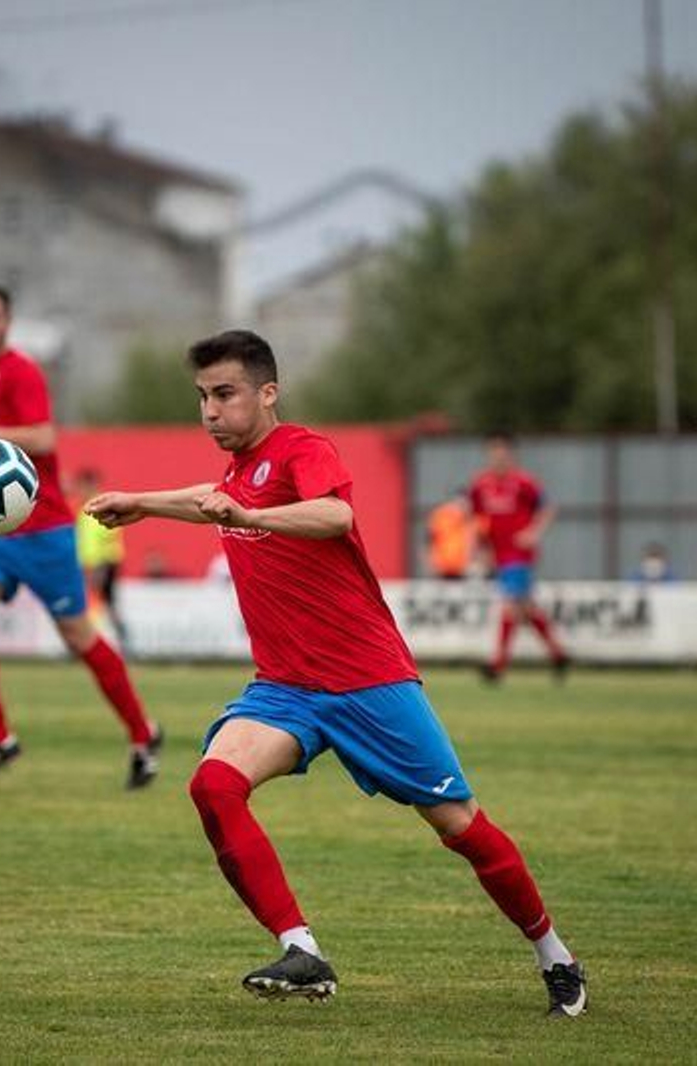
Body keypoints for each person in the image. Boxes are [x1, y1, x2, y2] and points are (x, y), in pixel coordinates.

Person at [84, 330, 586, 1017]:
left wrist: (248, 511)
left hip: (369, 682)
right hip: (287, 689)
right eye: (202, 397)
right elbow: (215, 497)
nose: (209, 411)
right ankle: (303, 951)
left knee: (459, 825)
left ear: (268, 393)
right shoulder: (237, 474)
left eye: (224, 394)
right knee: (214, 784)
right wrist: (141, 501)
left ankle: (555, 955)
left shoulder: (304, 451)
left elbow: (334, 514)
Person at [0, 284, 162, 789]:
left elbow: (44, 437)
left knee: (80, 638)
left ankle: (143, 733)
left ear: (7, 321)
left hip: (43, 530)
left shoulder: (20, 371)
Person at [468, 433, 570, 683]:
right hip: (499, 553)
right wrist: (482, 549)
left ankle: (497, 666)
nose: (498, 459)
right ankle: (559, 656)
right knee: (525, 608)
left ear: (511, 456)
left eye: (502, 454)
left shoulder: (524, 482)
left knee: (511, 605)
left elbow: (547, 508)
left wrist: (533, 532)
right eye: (493, 454)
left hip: (519, 553)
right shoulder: (481, 484)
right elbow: (478, 520)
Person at [72, 467, 129, 649]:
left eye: (81, 486)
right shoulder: (85, 508)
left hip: (103, 563)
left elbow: (109, 534)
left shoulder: (102, 505)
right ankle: (94, 642)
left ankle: (109, 643)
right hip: (91, 563)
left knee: (101, 603)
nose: (79, 490)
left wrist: (100, 566)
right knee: (103, 603)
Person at [424, 494, 474, 580]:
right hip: (442, 567)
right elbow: (428, 540)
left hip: (464, 569)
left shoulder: (471, 520)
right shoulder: (441, 516)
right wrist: (430, 563)